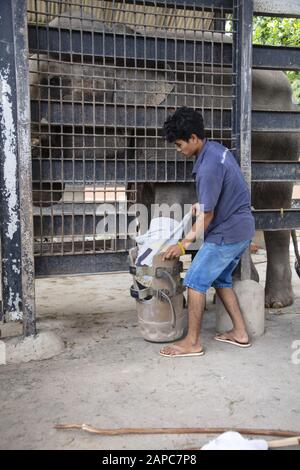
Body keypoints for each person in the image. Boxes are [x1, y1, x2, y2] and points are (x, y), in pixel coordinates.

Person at [160, 107, 255, 357]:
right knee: (221, 280)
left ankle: (192, 342)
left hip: (228, 231)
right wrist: (203, 203)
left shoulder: (207, 167)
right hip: (241, 227)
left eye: (180, 144)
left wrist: (182, 244)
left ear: (193, 138)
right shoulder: (217, 150)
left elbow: (209, 216)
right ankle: (240, 333)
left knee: (194, 281)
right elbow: (220, 193)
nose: (179, 150)